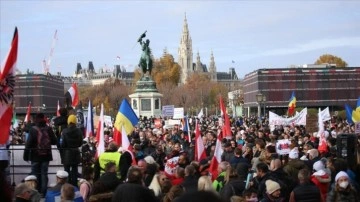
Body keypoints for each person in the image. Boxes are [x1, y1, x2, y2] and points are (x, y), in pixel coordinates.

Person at [24, 113, 57, 196]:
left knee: (35, 174)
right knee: (44, 174)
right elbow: (54, 141)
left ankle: (36, 192)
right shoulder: (48, 129)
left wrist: (26, 155)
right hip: (46, 155)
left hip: (35, 155)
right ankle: (43, 192)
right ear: (44, 118)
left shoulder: (33, 129)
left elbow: (29, 144)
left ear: (36, 119)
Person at [61, 114, 83, 187]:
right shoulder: (79, 131)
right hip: (76, 153)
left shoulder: (64, 131)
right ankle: (74, 186)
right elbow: (80, 143)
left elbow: (62, 143)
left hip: (67, 153)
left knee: (66, 171)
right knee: (74, 171)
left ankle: (67, 186)